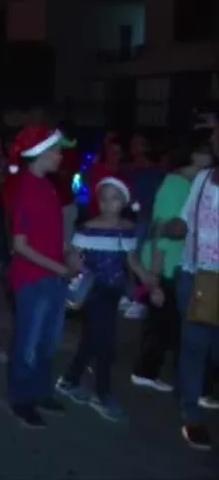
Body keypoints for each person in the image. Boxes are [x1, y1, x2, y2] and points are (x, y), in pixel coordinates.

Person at [55, 176, 160, 422]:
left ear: (123, 202)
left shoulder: (127, 228)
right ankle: (102, 393)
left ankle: (70, 379)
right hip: (94, 291)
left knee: (93, 337)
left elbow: (131, 259)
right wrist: (70, 262)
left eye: (114, 198)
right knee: (106, 343)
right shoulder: (88, 227)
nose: (107, 203)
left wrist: (148, 280)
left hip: (113, 291)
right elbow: (73, 256)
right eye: (103, 198)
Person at [6, 125, 82, 427]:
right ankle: (21, 399)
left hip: (52, 277)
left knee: (49, 342)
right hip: (33, 280)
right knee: (29, 343)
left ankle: (40, 393)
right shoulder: (26, 188)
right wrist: (61, 267)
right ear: (39, 153)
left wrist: (67, 252)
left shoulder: (48, 187)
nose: (61, 155)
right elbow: (20, 245)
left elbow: (50, 234)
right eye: (56, 150)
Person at [132, 141, 215, 393]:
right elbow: (162, 230)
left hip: (175, 263)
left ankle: (149, 370)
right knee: (162, 323)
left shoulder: (188, 183)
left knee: (166, 323)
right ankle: (146, 371)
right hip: (166, 264)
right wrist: (155, 274)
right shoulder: (177, 184)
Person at [168, 123, 219, 450]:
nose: (213, 139)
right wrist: (168, 227)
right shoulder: (202, 179)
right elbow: (185, 222)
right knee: (194, 348)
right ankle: (191, 415)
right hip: (195, 277)